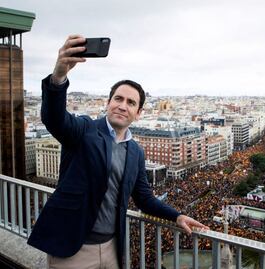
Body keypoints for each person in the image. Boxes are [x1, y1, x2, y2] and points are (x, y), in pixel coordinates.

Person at [27, 35, 208, 269]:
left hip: (112, 247)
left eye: (131, 103)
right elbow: (54, 119)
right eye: (118, 98)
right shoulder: (85, 130)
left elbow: (144, 198)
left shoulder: (135, 151)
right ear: (108, 102)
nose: (123, 105)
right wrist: (59, 75)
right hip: (74, 248)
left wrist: (176, 216)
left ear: (139, 113)